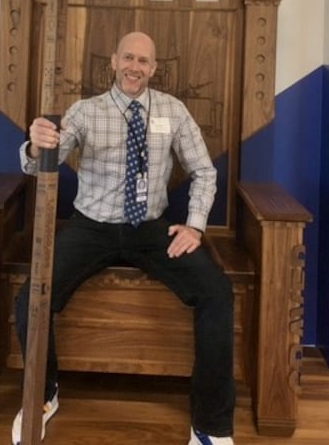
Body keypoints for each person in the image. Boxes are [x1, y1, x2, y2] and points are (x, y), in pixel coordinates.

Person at [12, 31, 235, 445]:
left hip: (151, 227)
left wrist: (196, 225)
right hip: (90, 226)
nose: (135, 67)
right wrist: (36, 144)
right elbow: (42, 164)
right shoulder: (85, 111)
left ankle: (211, 425)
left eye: (144, 61)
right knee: (32, 299)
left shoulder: (173, 110)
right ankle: (43, 395)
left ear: (154, 68)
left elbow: (204, 171)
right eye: (128, 58)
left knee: (216, 291)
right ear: (113, 61)